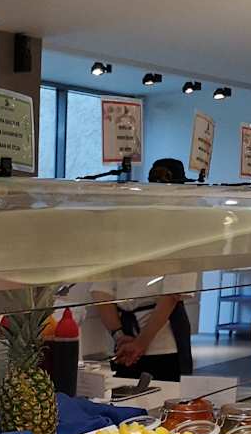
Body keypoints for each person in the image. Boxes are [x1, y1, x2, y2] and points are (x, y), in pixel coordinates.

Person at [83, 158, 197, 382]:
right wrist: (135, 343)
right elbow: (172, 295)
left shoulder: (125, 225)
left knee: (126, 399)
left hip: (133, 343)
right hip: (153, 346)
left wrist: (122, 337)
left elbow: (101, 290)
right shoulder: (181, 230)